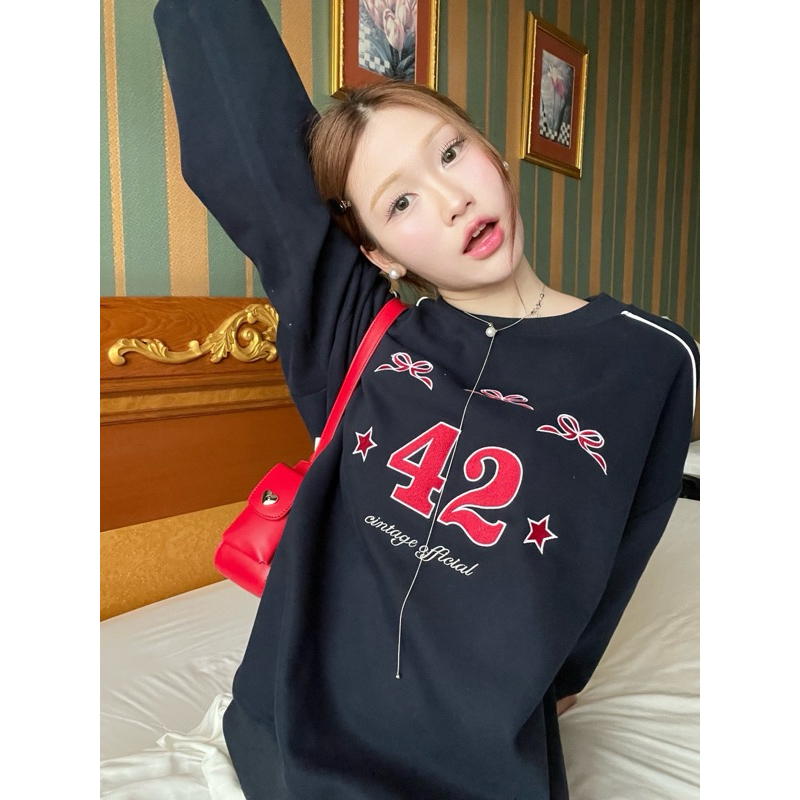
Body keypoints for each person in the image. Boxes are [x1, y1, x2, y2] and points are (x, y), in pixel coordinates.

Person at [154, 1, 698, 798]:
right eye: (399, 201)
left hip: (482, 767)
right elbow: (250, 149)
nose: (450, 199)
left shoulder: (653, 358)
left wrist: (564, 675)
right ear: (377, 252)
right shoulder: (359, 337)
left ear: (494, 156)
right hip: (295, 740)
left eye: (450, 153)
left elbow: (618, 552)